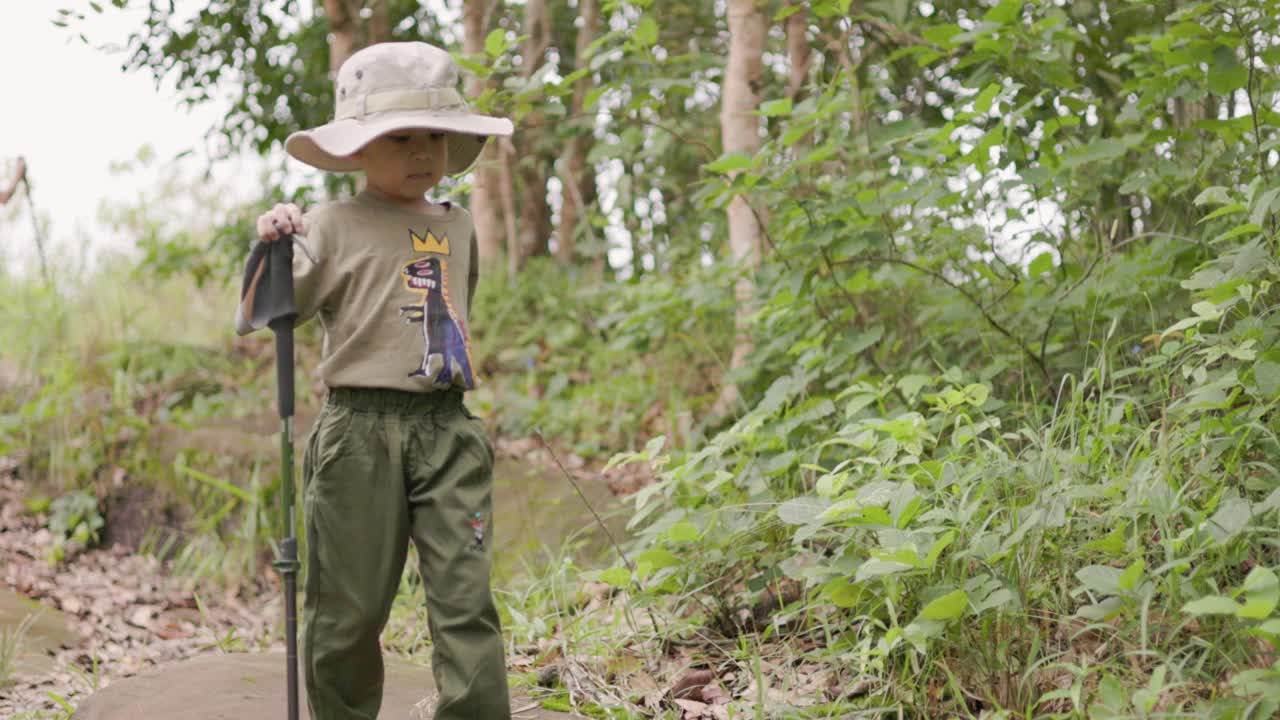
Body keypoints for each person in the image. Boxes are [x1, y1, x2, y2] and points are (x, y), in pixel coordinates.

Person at [238, 41, 514, 720]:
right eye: (400, 138)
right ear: (358, 148)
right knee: (347, 608)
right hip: (358, 435)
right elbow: (263, 313)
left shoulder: (460, 226)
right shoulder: (330, 226)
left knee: (464, 598)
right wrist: (272, 244)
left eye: (434, 137)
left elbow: (460, 310)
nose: (422, 151)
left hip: (447, 428)